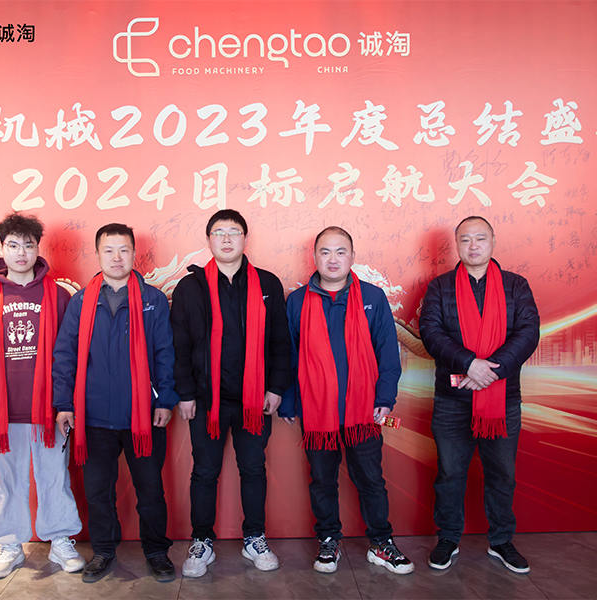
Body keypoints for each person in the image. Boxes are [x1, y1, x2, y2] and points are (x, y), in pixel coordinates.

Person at [280, 226, 414, 575]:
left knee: (371, 479)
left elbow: (388, 353)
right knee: (322, 480)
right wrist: (290, 401)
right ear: (314, 257)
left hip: (364, 410)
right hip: (317, 411)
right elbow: (289, 355)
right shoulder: (297, 301)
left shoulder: (372, 297)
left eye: (341, 252)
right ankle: (328, 539)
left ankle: (381, 542)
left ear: (352, 256)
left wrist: (385, 397)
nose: (333, 259)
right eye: (325, 252)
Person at [52, 223, 179, 583]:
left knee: (150, 490)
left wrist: (165, 400)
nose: (117, 257)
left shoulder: (153, 300)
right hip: (93, 417)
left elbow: (165, 354)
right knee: (97, 492)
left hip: (143, 416)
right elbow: (65, 355)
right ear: (98, 255)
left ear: (134, 253)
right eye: (109, 250)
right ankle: (103, 551)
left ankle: (156, 552)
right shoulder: (81, 302)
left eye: (124, 250)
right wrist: (64, 404)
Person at [170, 209, 291, 577]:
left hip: (254, 400)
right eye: (219, 232)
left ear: (244, 239)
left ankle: (254, 537)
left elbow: (281, 342)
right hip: (207, 400)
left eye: (234, 232)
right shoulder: (190, 288)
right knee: (204, 472)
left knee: (253, 469)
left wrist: (276, 387)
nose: (226, 238)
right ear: (209, 240)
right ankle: (202, 540)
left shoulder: (267, 284)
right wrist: (185, 393)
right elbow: (179, 345)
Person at [0, 213, 84, 580]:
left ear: (37, 249)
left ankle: (60, 540)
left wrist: (60, 400)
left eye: (28, 245)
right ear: (2, 249)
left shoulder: (59, 297)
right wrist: (0, 388)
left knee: (54, 478)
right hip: (4, 411)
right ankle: (8, 544)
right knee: (6, 482)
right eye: (13, 245)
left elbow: (69, 351)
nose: (21, 253)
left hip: (49, 410)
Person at [419, 216, 539, 573]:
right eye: (466, 239)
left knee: (502, 474)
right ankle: (448, 538)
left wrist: (492, 370)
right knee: (450, 472)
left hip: (503, 398)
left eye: (480, 238)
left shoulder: (516, 286)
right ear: (457, 245)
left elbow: (528, 332)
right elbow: (431, 332)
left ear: (492, 242)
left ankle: (501, 541)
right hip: (452, 400)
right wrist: (469, 364)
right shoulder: (440, 287)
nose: (473, 246)